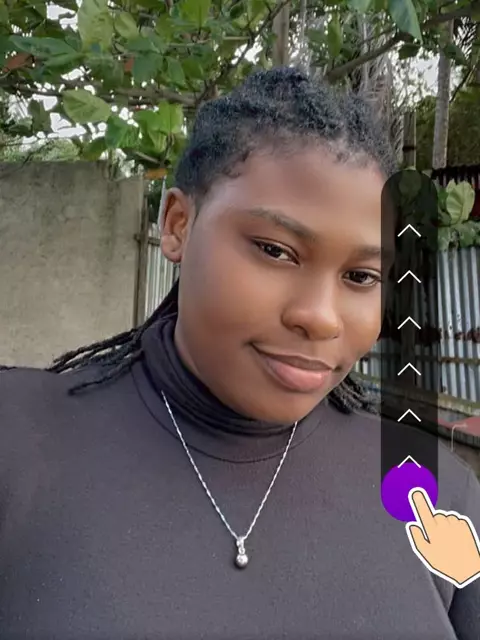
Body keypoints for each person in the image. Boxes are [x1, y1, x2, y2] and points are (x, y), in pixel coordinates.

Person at [0, 67, 479, 640]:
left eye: (361, 276)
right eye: (275, 250)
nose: (320, 317)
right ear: (178, 225)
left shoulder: (432, 493)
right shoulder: (16, 442)